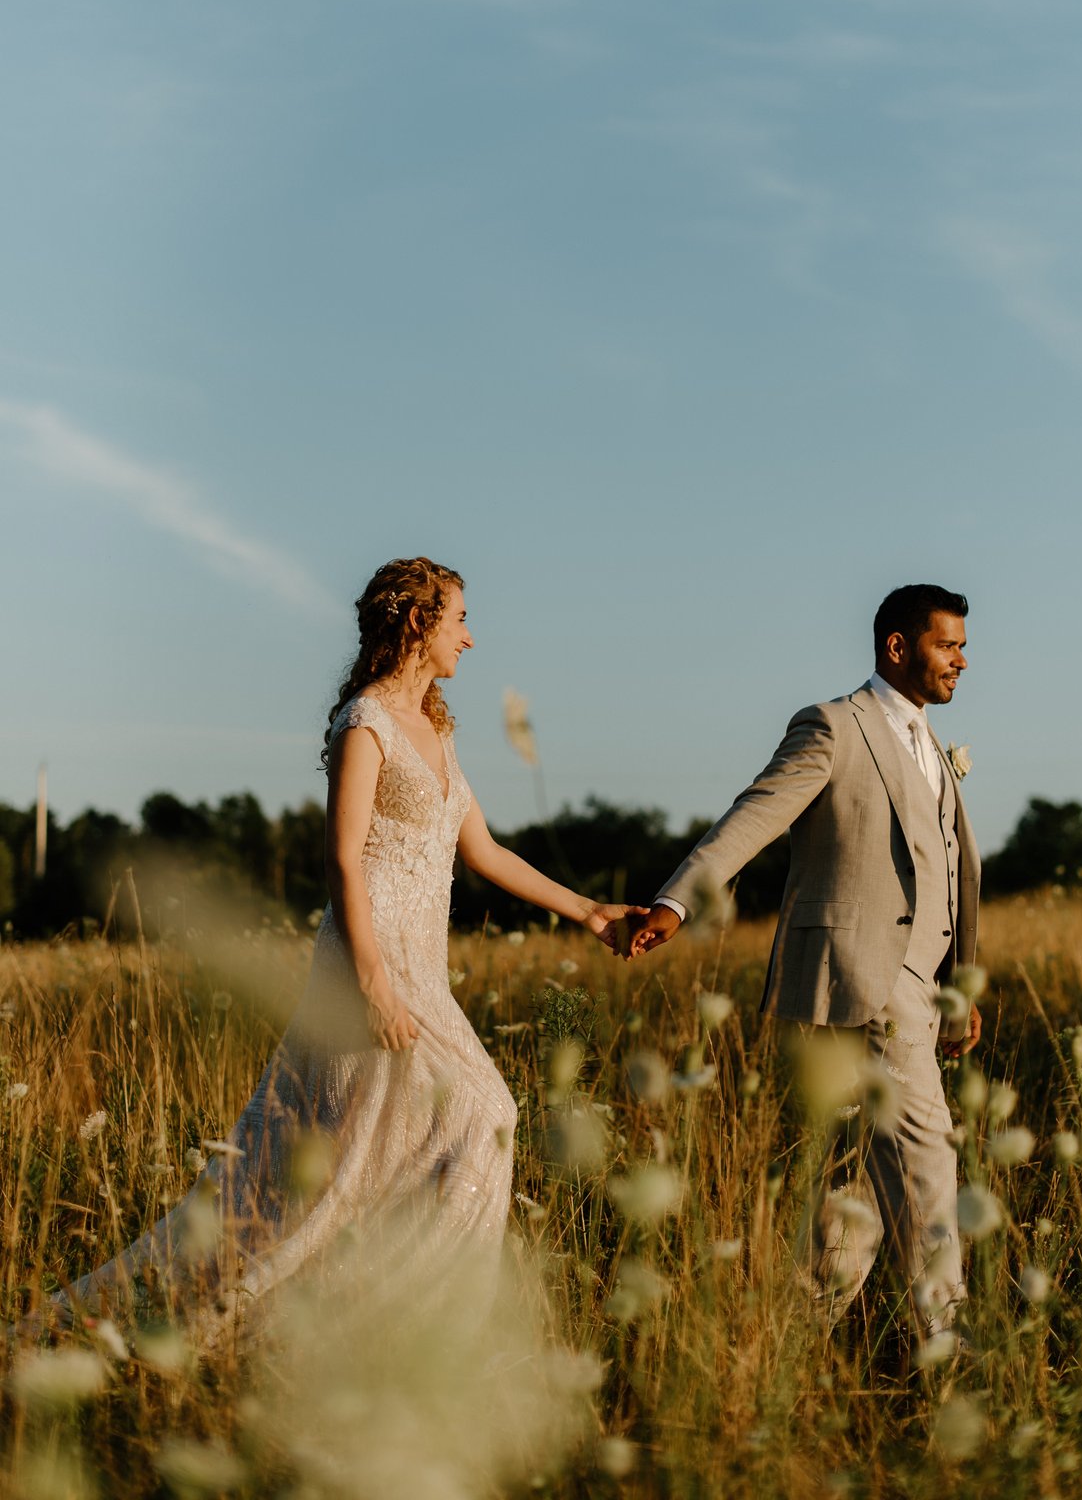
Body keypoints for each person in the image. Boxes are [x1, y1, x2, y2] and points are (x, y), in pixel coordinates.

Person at [58, 557, 645, 1343]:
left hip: (422, 972)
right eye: (460, 618)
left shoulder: (435, 730)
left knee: (408, 1145)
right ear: (418, 623)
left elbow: (486, 852)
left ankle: (390, 1333)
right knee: (458, 1124)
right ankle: (373, 1327)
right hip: (368, 963)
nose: (471, 638)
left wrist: (590, 910)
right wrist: (370, 983)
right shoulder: (364, 723)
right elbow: (342, 861)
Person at [627, 583, 983, 1333]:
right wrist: (679, 900)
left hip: (918, 992)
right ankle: (947, 1356)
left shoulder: (930, 747)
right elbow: (754, 814)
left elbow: (946, 871)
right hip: (863, 979)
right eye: (947, 644)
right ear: (896, 647)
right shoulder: (834, 725)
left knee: (851, 1195)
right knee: (928, 1169)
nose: (962, 659)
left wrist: (957, 992)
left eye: (961, 645)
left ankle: (787, 1345)